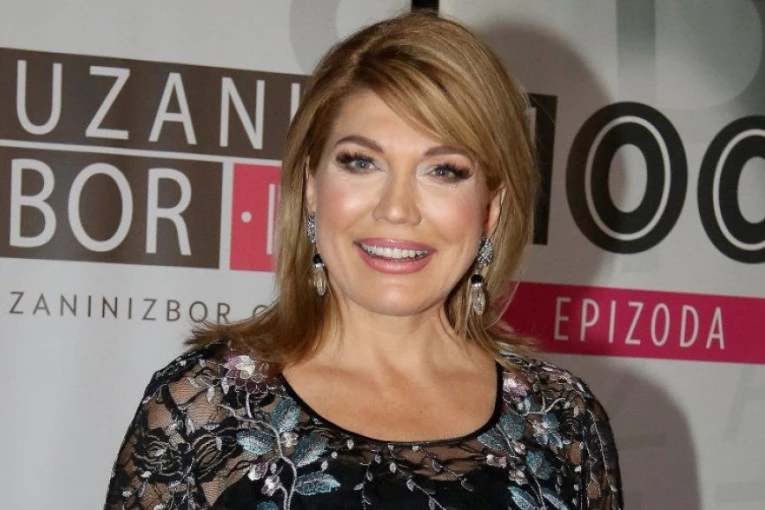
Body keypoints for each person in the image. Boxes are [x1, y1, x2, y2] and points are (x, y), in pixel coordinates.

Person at [104, 11, 621, 510]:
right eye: (361, 162)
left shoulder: (564, 422)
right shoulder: (202, 407)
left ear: (491, 208)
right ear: (311, 186)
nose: (396, 209)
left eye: (443, 170)